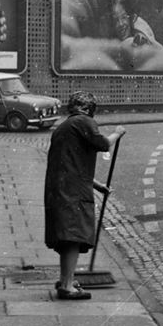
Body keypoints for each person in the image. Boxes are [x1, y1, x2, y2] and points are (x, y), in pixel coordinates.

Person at [44, 91, 126, 300]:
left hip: (59, 189)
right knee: (73, 237)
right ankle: (68, 286)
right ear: (89, 109)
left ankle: (65, 280)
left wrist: (98, 186)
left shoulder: (63, 128)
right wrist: (118, 133)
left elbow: (71, 164)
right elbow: (104, 144)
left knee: (66, 237)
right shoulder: (84, 121)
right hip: (72, 193)